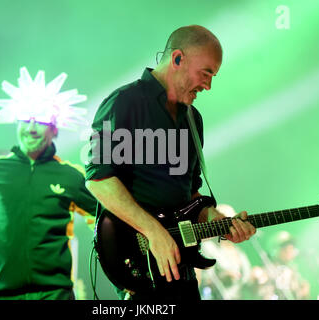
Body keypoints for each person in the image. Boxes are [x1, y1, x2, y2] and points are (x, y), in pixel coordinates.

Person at [85, 25, 256, 300]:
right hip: (141, 264)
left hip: (183, 270)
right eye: (206, 73)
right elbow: (99, 180)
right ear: (177, 59)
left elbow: (190, 195)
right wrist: (153, 231)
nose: (208, 86)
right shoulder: (124, 103)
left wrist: (219, 222)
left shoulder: (193, 119)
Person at [0, 67, 97, 300]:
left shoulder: (70, 175)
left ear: (55, 128)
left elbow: (102, 221)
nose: (32, 127)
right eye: (26, 118)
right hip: (3, 295)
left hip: (55, 295)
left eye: (41, 119)